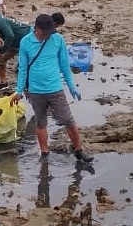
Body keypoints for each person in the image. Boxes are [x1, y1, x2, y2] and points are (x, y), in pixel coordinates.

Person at [10, 14, 94, 164]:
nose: (47, 35)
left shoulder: (58, 40)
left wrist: (72, 86)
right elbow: (22, 68)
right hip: (35, 91)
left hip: (55, 89)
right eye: (44, 32)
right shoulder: (25, 42)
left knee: (69, 121)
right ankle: (44, 152)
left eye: (50, 32)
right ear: (36, 28)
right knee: (41, 122)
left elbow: (64, 65)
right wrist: (19, 91)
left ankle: (79, 150)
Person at [0, 12, 64, 91]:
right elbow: (4, 37)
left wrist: (0, 51)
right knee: (10, 62)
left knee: (24, 64)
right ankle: (7, 83)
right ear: (55, 23)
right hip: (22, 39)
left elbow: (7, 36)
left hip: (21, 40)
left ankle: (23, 83)